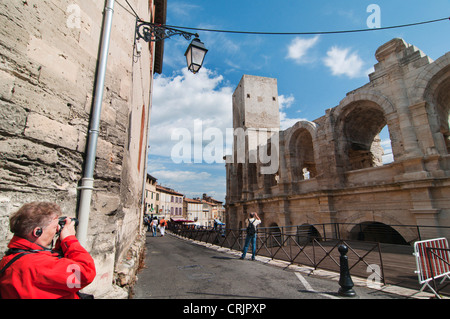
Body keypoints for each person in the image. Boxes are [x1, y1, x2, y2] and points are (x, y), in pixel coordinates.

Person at [0, 202, 96, 299]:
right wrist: (69, 239)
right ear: (37, 232)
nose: (56, 230)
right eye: (55, 227)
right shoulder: (39, 265)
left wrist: (61, 243)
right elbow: (86, 274)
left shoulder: (11, 258)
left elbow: (52, 267)